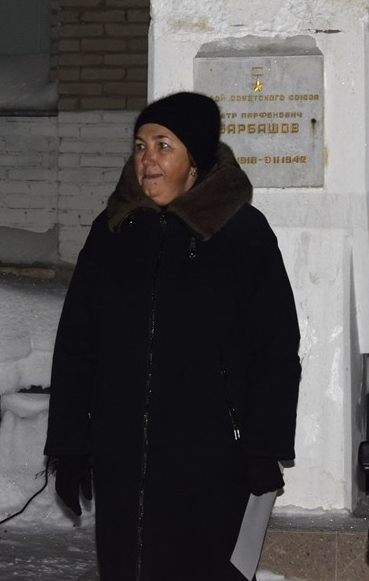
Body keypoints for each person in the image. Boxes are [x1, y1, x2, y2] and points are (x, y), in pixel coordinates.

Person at [45, 91, 302, 580]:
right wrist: (70, 444)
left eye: (164, 146)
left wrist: (263, 447)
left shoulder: (241, 232)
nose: (148, 160)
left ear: (195, 161)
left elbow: (273, 348)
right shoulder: (112, 231)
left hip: (210, 457)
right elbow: (78, 342)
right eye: (141, 146)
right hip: (122, 452)